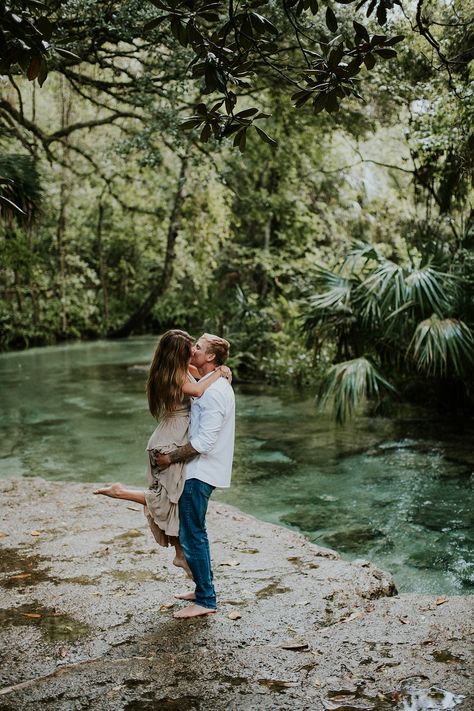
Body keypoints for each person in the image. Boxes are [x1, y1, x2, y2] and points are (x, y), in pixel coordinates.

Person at [94, 329, 231, 578]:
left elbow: (202, 380)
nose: (193, 349)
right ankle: (122, 494)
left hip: (172, 436)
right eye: (190, 346)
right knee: (170, 497)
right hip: (169, 442)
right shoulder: (173, 375)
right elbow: (199, 391)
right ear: (178, 353)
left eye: (195, 345)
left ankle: (180, 555)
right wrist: (220, 372)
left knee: (172, 498)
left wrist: (217, 373)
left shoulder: (177, 369)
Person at [153, 333, 235, 619]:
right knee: (194, 533)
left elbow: (203, 443)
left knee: (193, 535)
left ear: (210, 356)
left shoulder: (214, 391)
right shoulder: (204, 383)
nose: (193, 349)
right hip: (196, 469)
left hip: (201, 471)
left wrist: (170, 458)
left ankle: (206, 600)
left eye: (197, 347)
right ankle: (203, 590)